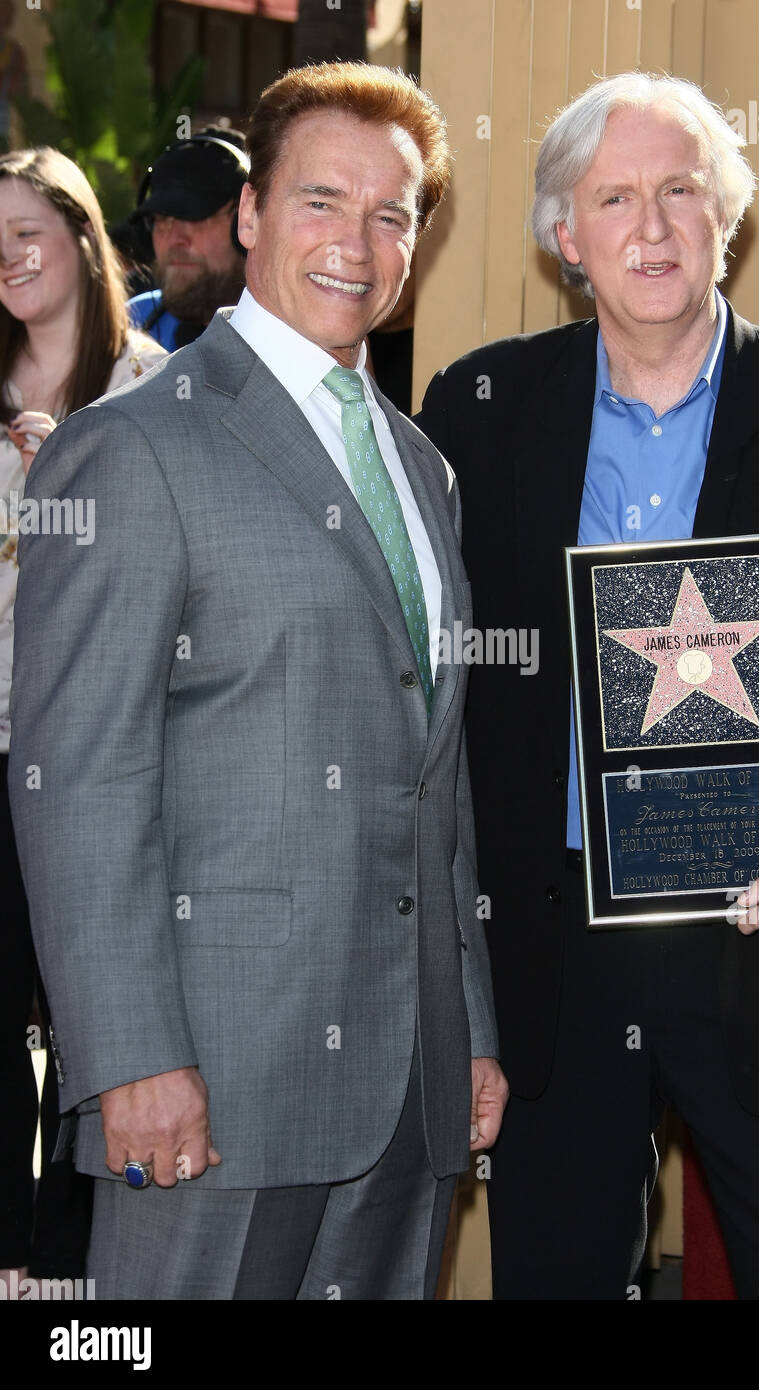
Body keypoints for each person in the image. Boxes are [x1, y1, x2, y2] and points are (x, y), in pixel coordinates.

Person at [416, 72, 759, 1300]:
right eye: (614, 197)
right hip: (554, 961)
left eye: (681, 191)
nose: (652, 227)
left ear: (728, 215)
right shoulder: (481, 410)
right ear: (568, 236)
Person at [9, 62, 506, 1302]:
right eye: (322, 201)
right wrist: (127, 1057)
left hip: (407, 1090)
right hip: (213, 1082)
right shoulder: (129, 446)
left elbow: (435, 784)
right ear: (250, 216)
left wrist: (472, 1033)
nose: (358, 242)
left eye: (393, 215)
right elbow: (79, 776)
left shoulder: (424, 468)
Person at [0, 145, 165, 1294]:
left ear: (81, 241)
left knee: (95, 1017)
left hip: (106, 759)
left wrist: (78, 485)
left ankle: (73, 1269)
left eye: (25, 227)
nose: (6, 253)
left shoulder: (156, 390)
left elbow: (184, 576)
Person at [125, 127, 249, 350]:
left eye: (194, 217)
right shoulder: (131, 324)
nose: (175, 239)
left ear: (246, 220)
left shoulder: (304, 336)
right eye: (161, 219)